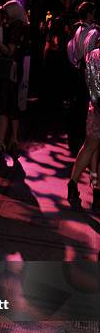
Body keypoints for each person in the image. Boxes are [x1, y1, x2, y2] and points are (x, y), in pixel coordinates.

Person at [0, 0, 30, 155]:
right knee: (14, 104)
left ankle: (1, 142)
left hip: (10, 70)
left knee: (4, 105)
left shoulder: (15, 27)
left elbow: (10, 51)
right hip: (17, 68)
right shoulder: (22, 26)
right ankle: (14, 139)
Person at [68, 30, 100, 208]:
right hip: (97, 107)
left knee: (90, 147)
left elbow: (91, 85)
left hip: (95, 106)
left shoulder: (92, 56)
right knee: (93, 148)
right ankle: (95, 188)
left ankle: (75, 184)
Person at [66, 1, 96, 154]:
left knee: (77, 107)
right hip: (86, 70)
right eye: (93, 12)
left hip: (77, 70)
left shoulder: (77, 29)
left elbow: (72, 51)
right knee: (84, 108)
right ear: (89, 14)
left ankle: (73, 141)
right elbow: (89, 53)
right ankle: (82, 143)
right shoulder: (91, 31)